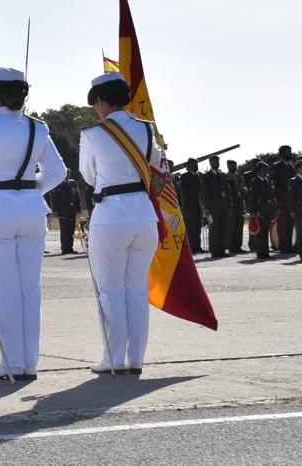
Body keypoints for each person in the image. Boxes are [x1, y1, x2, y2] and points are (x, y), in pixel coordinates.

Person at [0, 68, 66, 380]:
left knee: (5, 290)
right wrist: (29, 191)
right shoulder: (38, 128)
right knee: (29, 291)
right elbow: (58, 173)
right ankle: (29, 363)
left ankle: (11, 362)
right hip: (32, 214)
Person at [78, 72, 164, 375]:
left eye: (96, 104)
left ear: (101, 101)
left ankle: (113, 359)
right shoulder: (147, 130)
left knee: (110, 291)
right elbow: (159, 166)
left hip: (111, 216)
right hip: (144, 216)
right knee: (137, 290)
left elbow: (88, 176)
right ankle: (135, 358)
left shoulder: (92, 134)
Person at [202, 155, 231, 258]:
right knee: (214, 229)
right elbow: (205, 193)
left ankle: (222, 250)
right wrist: (206, 208)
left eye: (217, 161)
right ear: (210, 163)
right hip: (213, 205)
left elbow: (227, 191)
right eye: (214, 161)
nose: (216, 163)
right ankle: (214, 251)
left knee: (223, 228)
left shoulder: (222, 175)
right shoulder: (207, 176)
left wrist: (229, 204)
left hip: (223, 205)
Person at [247, 162, 276, 259]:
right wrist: (252, 212)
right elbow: (251, 198)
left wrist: (273, 209)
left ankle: (266, 252)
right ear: (258, 171)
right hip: (259, 211)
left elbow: (271, 196)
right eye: (263, 170)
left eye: (266, 170)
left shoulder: (268, 181)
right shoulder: (254, 182)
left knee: (266, 232)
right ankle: (260, 253)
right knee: (260, 233)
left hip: (268, 210)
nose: (265, 172)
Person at [50, 172, 82, 254]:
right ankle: (64, 249)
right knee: (64, 230)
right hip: (63, 210)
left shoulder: (73, 183)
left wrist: (78, 208)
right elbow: (54, 197)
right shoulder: (58, 183)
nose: (68, 174)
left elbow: (77, 195)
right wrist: (55, 211)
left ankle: (70, 248)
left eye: (69, 173)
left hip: (72, 209)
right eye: (66, 173)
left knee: (71, 230)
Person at [178, 159, 203, 254]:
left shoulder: (198, 176)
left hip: (198, 204)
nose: (196, 166)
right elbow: (183, 192)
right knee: (190, 227)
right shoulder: (184, 176)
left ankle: (198, 246)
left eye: (196, 164)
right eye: (194, 164)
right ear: (188, 166)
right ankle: (191, 247)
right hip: (189, 205)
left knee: (198, 226)